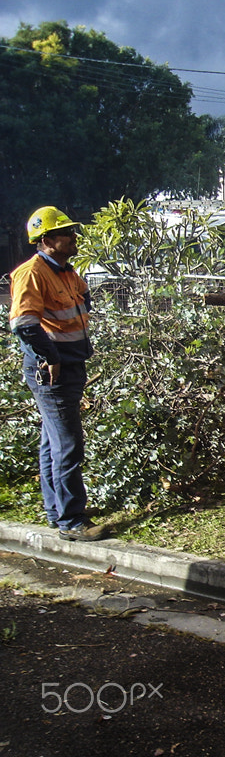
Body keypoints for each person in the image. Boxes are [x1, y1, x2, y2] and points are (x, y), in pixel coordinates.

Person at [8, 206, 107, 542]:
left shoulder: (66, 271)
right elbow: (24, 324)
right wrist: (49, 356)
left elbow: (83, 299)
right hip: (52, 369)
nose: (72, 237)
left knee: (53, 442)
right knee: (68, 443)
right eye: (65, 233)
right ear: (47, 240)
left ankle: (58, 512)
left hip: (71, 361)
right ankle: (72, 521)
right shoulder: (32, 272)